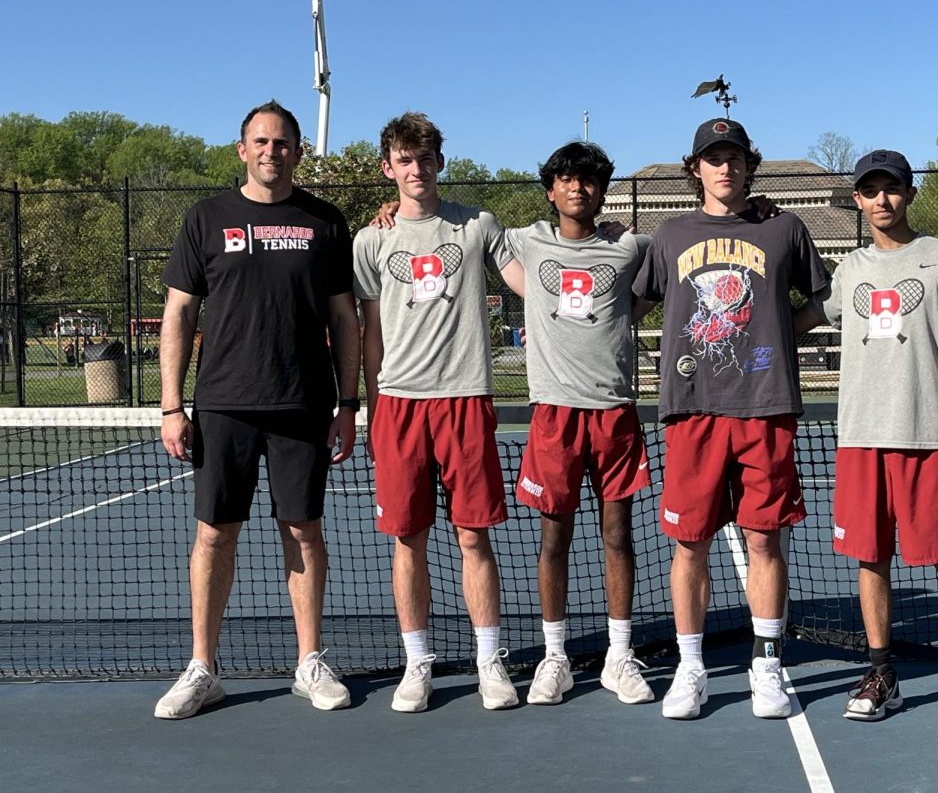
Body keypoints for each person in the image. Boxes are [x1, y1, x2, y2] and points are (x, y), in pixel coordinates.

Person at [155, 100, 360, 719]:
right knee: (215, 533)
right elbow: (179, 313)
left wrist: (349, 403)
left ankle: (309, 662)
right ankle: (202, 667)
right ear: (242, 150)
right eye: (260, 142)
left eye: (283, 142)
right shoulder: (206, 217)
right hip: (223, 405)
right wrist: (171, 405)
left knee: (302, 529)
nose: (272, 151)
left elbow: (345, 319)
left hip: (303, 403)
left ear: (299, 150)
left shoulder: (325, 221)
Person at [799, 149, 938, 729]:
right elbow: (794, 318)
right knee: (871, 557)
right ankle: (881, 671)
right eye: (871, 191)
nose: (882, 200)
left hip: (933, 438)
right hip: (861, 438)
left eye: (892, 189)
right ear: (858, 200)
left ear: (909, 194)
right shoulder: (848, 270)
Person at [631, 117, 830, 720]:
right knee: (690, 545)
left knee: (765, 539)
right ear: (695, 169)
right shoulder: (667, 236)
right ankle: (691, 670)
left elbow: (818, 300)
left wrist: (774, 337)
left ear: (750, 164)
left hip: (766, 406)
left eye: (735, 157)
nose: (725, 167)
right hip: (692, 409)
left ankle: (767, 666)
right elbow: (632, 302)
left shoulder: (785, 228)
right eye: (713, 158)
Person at [354, 112, 525, 712]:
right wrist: (375, 407)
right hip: (399, 404)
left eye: (425, 158)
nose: (416, 169)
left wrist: (601, 245)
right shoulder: (371, 240)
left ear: (439, 163)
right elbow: (370, 329)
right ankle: (417, 663)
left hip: (465, 398)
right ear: (389, 168)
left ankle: (489, 662)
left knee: (472, 536)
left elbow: (528, 280)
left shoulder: (476, 225)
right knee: (408, 539)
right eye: (405, 159)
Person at [506, 141, 654, 706]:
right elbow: (462, 228)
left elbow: (676, 255)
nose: (578, 188)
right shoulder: (525, 241)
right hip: (553, 415)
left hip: (614, 411)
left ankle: (620, 657)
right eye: (567, 180)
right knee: (554, 539)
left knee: (618, 536)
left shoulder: (629, 247)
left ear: (601, 190)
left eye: (589, 180)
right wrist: (389, 211)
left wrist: (758, 206)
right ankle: (555, 657)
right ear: (550, 189)